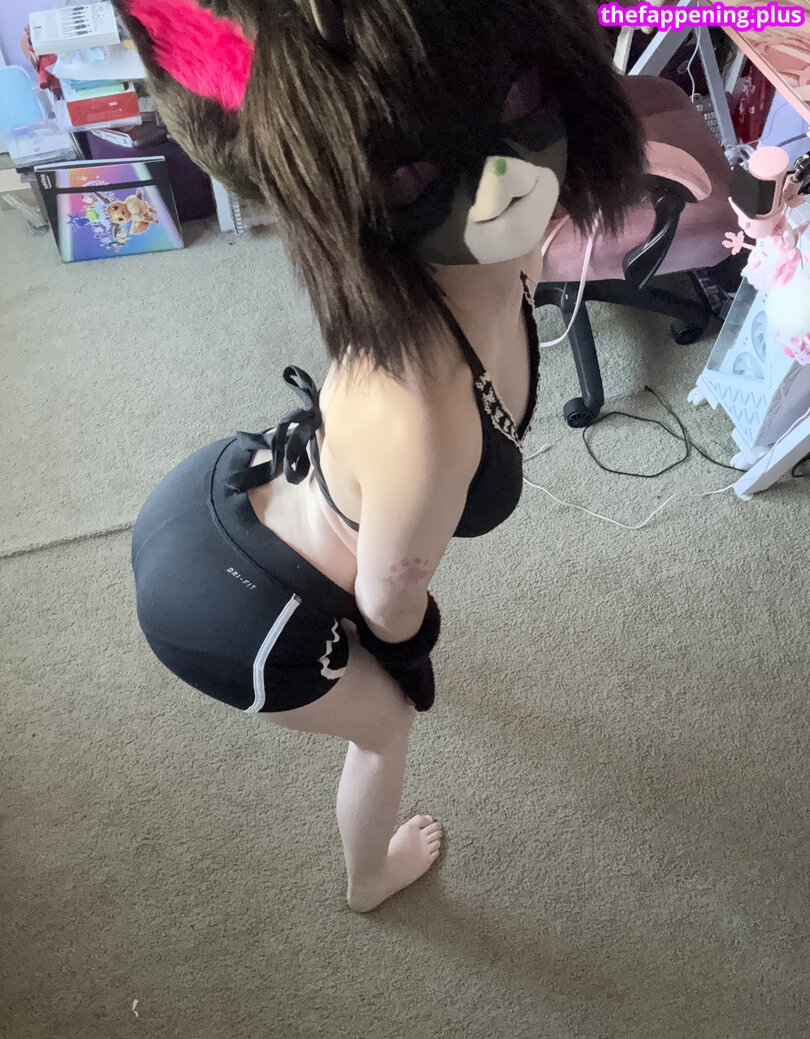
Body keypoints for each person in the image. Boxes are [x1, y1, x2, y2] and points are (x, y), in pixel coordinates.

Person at [123, 0, 644, 913]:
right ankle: (370, 879)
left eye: (520, 98)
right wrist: (405, 662)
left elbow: (527, 226)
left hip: (241, 490)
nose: (509, 181)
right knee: (386, 727)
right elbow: (389, 599)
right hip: (241, 614)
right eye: (412, 175)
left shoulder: (474, 259)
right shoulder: (425, 416)